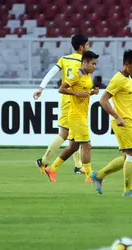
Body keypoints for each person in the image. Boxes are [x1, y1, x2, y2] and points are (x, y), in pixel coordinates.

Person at [90, 50, 132, 196]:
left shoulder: (127, 78)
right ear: (126, 64)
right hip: (123, 122)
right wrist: (117, 116)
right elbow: (103, 99)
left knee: (128, 157)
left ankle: (99, 175)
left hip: (127, 120)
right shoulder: (118, 79)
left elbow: (122, 99)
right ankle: (127, 191)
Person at [33, 34, 89, 175]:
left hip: (67, 99)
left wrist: (41, 88)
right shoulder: (85, 61)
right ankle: (44, 161)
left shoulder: (64, 59)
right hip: (76, 100)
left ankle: (78, 166)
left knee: (73, 133)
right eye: (87, 45)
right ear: (81, 46)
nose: (88, 47)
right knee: (66, 133)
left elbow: (51, 73)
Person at [45, 51, 99, 183]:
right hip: (76, 116)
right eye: (93, 63)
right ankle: (88, 176)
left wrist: (92, 93)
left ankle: (52, 168)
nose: (94, 66)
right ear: (85, 62)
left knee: (74, 147)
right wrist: (76, 93)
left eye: (95, 64)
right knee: (87, 145)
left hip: (82, 114)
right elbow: (61, 89)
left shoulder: (88, 76)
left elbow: (83, 93)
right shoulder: (76, 74)